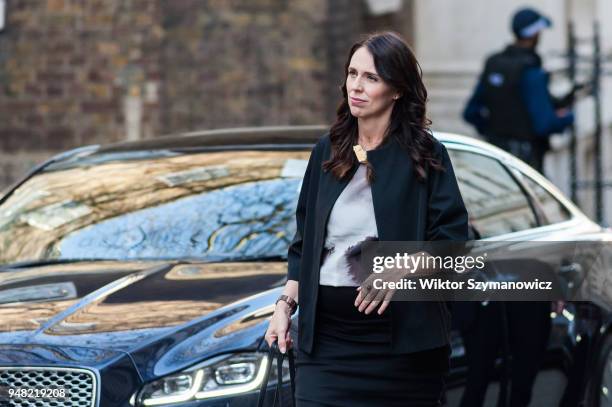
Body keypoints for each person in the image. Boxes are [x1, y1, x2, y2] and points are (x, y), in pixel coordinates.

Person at [264, 31, 469, 406]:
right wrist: (284, 307)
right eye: (352, 74)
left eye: (371, 78)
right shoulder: (327, 151)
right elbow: (304, 247)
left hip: (404, 352)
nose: (356, 86)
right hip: (326, 347)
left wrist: (403, 266)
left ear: (397, 90)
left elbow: (453, 243)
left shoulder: (426, 156)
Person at [463, 7, 575, 174]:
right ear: (535, 34)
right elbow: (543, 125)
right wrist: (567, 117)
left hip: (495, 156)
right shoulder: (531, 71)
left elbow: (470, 113)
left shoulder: (494, 63)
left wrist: (493, 132)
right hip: (526, 162)